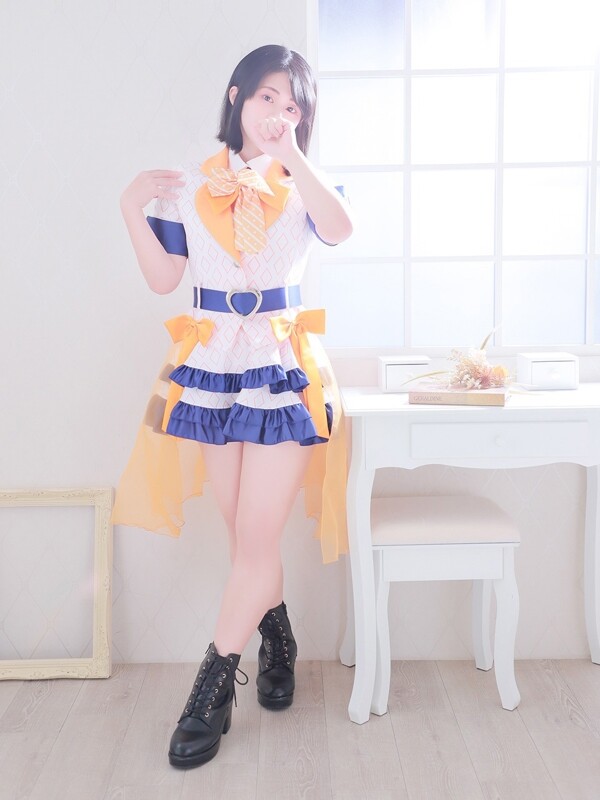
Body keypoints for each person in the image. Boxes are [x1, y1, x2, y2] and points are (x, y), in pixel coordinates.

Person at [111, 44, 353, 769]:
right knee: (244, 536)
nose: (279, 111)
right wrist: (129, 206)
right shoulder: (191, 185)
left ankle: (210, 692)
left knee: (253, 538)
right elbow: (165, 279)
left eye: (293, 104)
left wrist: (293, 155)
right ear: (237, 96)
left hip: (279, 368)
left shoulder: (304, 184)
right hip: (214, 367)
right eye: (267, 96)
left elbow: (341, 229)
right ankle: (278, 637)